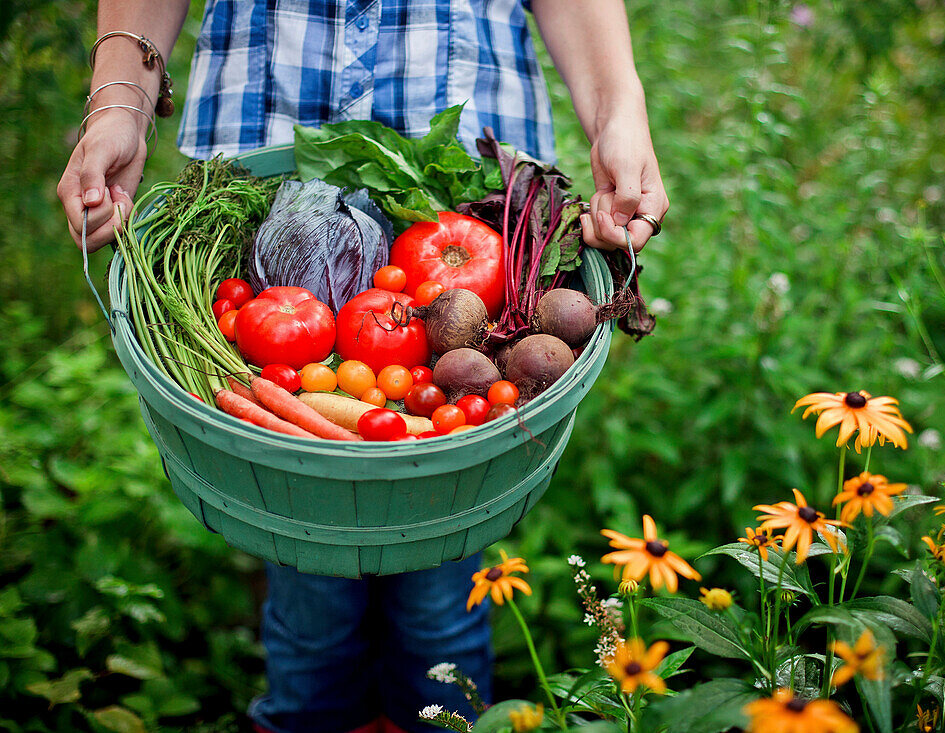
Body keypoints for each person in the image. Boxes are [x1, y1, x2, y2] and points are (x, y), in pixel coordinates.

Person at [57, 2, 669, 732]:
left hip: (466, 165)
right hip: (268, 161)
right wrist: (118, 98)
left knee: (440, 596)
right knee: (306, 581)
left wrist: (619, 109)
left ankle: (435, 717)